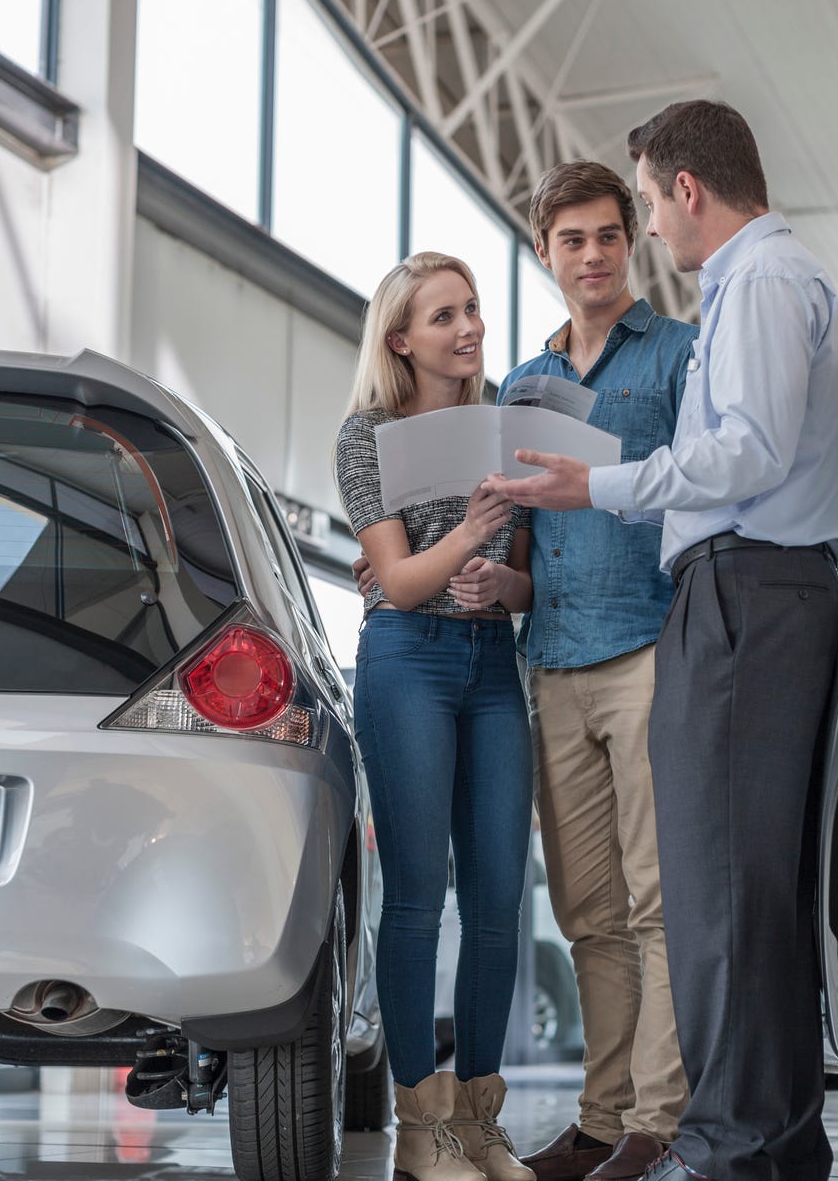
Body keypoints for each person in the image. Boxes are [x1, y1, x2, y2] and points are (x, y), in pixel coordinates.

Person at [486, 102, 838, 1181]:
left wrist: (592, 483)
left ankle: (730, 1147)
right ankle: (762, 1145)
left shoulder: (757, 287)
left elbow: (742, 454)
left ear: (686, 191)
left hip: (743, 595)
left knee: (717, 898)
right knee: (725, 894)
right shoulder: (761, 284)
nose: (644, 230)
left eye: (643, 207)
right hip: (730, 597)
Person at [501, 161, 695, 1181]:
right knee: (587, 913)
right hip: (555, 662)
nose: (592, 255)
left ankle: (657, 1124)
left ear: (633, 240)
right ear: (545, 253)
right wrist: (500, 585)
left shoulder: (678, 357)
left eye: (608, 235)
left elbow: (710, 493)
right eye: (571, 240)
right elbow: (530, 547)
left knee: (657, 898)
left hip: (650, 649)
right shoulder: (520, 387)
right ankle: (600, 1116)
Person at [334, 251, 536, 1181]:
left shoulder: (507, 426)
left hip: (493, 661)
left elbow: (527, 575)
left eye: (474, 309)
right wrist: (467, 528)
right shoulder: (365, 437)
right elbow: (401, 582)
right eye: (445, 315)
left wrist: (508, 577)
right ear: (401, 338)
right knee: (418, 898)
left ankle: (480, 1119)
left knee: (498, 897)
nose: (468, 328)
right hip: (407, 662)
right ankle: (421, 1126)